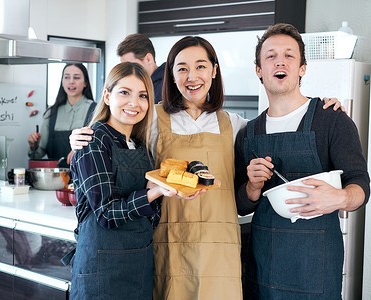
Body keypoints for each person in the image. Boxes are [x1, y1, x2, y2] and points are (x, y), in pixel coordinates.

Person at [70, 36, 343, 299]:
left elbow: (278, 132)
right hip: (169, 247)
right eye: (182, 68)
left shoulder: (237, 125)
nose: (192, 76)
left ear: (214, 71)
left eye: (200, 66)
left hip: (220, 251)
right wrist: (80, 137)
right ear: (172, 76)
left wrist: (318, 110)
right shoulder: (151, 118)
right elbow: (115, 143)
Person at [234, 23, 370, 300]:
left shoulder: (332, 120)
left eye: (289, 55)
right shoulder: (248, 133)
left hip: (315, 269)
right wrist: (251, 187)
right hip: (264, 267)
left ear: (302, 68)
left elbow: (361, 184)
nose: (279, 61)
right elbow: (240, 205)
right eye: (270, 56)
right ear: (259, 70)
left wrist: (341, 198)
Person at [69, 62, 176, 299]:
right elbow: (107, 214)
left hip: (138, 265)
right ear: (107, 96)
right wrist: (153, 193)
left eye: (142, 96)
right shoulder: (93, 141)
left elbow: (151, 218)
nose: (134, 103)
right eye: (124, 92)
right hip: (101, 269)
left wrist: (157, 193)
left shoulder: (140, 146)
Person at [27, 63, 96, 167]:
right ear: (62, 82)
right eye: (67, 77)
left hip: (85, 177)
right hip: (56, 178)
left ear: (85, 82)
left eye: (76, 77)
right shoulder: (51, 113)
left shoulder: (95, 111)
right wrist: (33, 145)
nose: (71, 81)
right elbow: (38, 155)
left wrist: (81, 152)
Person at [117, 33, 166, 104]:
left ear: (148, 59)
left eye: (132, 65)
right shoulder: (136, 83)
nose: (128, 71)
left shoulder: (167, 84)